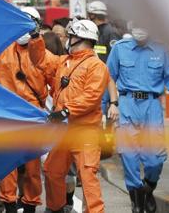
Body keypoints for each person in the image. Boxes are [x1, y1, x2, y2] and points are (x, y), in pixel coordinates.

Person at [28, 19, 109, 213]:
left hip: (85, 130)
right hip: (64, 129)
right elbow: (40, 59)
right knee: (52, 170)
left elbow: (91, 96)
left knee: (87, 175)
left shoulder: (96, 66)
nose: (67, 39)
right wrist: (34, 37)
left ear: (78, 38)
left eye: (70, 36)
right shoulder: (64, 61)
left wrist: (66, 110)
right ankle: (55, 208)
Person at [106, 28, 169, 213]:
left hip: (151, 106)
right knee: (128, 155)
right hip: (127, 103)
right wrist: (109, 105)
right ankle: (137, 202)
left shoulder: (161, 50)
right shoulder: (120, 48)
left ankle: (148, 188)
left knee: (154, 159)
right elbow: (109, 77)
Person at [0, 7, 50, 213]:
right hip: (7, 114)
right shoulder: (0, 51)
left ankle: (30, 204)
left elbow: (58, 81)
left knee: (33, 166)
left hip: (33, 115)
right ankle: (8, 204)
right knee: (8, 164)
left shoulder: (43, 55)